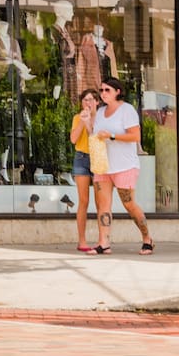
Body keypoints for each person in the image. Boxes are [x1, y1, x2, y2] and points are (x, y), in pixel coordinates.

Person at [92, 77, 155, 255]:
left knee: (129, 204)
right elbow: (96, 135)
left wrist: (112, 136)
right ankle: (103, 242)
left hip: (125, 166)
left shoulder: (126, 110)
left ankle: (147, 238)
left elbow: (135, 137)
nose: (103, 94)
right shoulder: (100, 112)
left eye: (107, 90)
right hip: (103, 166)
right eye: (102, 90)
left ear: (117, 91)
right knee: (103, 206)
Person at [68, 88, 101, 252]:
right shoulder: (76, 118)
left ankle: (103, 240)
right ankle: (82, 241)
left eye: (90, 100)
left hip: (97, 158)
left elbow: (94, 137)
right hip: (81, 158)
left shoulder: (102, 118)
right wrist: (82, 121)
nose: (87, 103)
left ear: (97, 102)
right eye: (85, 100)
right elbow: (73, 139)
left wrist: (89, 123)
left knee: (100, 201)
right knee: (84, 201)